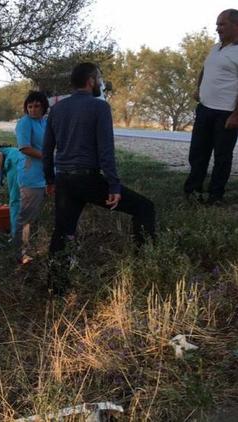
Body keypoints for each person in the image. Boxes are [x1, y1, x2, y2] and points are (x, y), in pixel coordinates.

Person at [43, 62, 156, 293]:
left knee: (62, 232)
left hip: (64, 179)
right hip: (88, 180)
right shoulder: (99, 107)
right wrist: (114, 184)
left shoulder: (57, 109)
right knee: (145, 208)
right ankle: (146, 266)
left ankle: (56, 288)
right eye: (100, 79)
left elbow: (47, 149)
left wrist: (50, 180)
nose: (101, 84)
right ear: (91, 80)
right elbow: (106, 150)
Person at [183, 9, 238, 205]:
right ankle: (193, 190)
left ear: (235, 25)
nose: (217, 28)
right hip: (205, 109)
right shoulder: (215, 48)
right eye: (217, 24)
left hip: (226, 113)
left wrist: (236, 114)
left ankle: (216, 196)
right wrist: (198, 89)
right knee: (197, 152)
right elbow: (205, 69)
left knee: (222, 157)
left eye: (222, 24)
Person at [14, 91, 49, 264]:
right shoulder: (24, 123)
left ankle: (32, 249)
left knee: (37, 216)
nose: (33, 109)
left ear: (44, 107)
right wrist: (48, 156)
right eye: (30, 106)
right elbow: (25, 148)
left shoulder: (45, 122)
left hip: (46, 176)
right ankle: (19, 254)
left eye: (37, 106)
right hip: (31, 176)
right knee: (26, 217)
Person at [0, 145, 24, 243]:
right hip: (27, 164)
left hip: (15, 165)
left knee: (15, 202)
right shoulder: (10, 149)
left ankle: (16, 237)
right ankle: (23, 232)